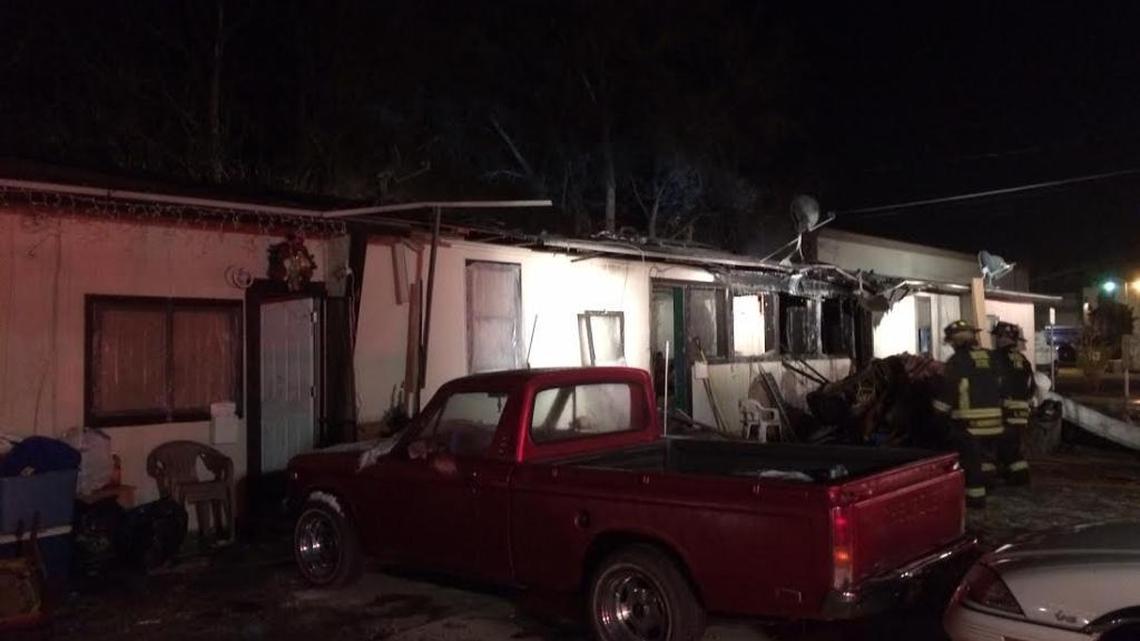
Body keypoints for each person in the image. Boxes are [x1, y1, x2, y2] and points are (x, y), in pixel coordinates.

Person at [932, 320, 1003, 508]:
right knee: (986, 459)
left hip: (969, 425)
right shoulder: (991, 357)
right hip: (995, 421)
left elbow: (948, 393)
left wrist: (936, 413)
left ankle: (975, 499)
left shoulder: (957, 361)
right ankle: (989, 487)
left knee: (971, 463)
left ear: (955, 341)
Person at [991, 321, 1032, 485]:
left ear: (1002, 337)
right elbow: (1031, 386)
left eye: (997, 337)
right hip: (1022, 412)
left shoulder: (996, 358)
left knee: (1004, 447)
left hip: (1004, 410)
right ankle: (1019, 476)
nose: (996, 340)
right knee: (1013, 446)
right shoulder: (1023, 360)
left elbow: (990, 382)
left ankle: (1018, 478)